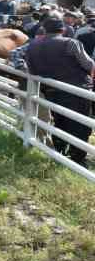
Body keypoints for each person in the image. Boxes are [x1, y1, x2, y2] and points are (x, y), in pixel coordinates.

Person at [25, 18, 94, 167]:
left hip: (50, 91)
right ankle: (78, 159)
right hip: (77, 91)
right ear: (62, 30)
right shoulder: (70, 43)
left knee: (59, 122)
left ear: (44, 30)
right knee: (80, 125)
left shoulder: (32, 46)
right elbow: (89, 65)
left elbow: (31, 69)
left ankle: (60, 153)